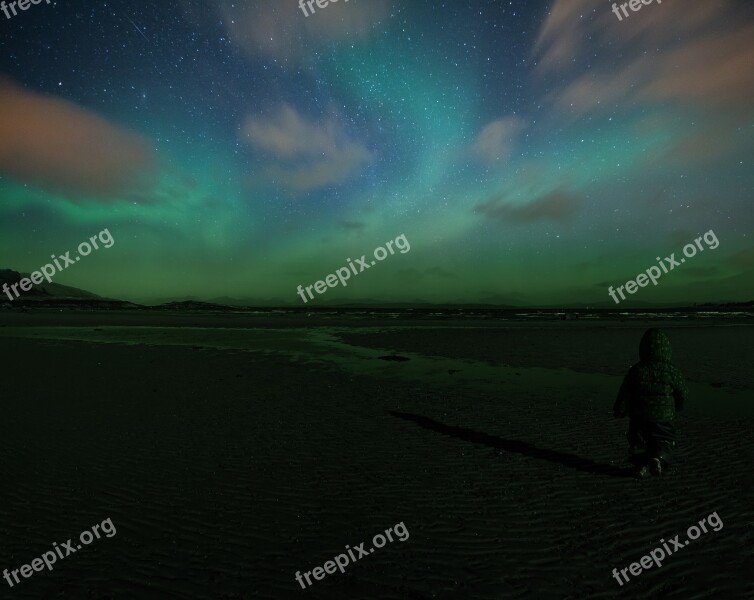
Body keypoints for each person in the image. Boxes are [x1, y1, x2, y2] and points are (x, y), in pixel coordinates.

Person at [613, 328, 688, 478]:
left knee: (639, 439)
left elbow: (625, 392)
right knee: (664, 440)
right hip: (664, 416)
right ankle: (657, 459)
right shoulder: (672, 370)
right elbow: (683, 393)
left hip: (639, 414)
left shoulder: (637, 370)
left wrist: (620, 409)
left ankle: (642, 465)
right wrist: (678, 407)